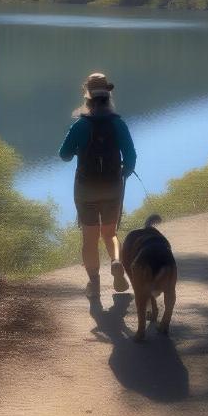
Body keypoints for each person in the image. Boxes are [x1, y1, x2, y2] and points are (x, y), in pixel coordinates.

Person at [59, 72, 137, 298]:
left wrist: (77, 150)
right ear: (108, 96)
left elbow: (63, 155)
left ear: (87, 96)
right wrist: (125, 171)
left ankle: (94, 283)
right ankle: (115, 261)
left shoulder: (80, 126)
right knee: (110, 233)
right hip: (112, 187)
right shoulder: (118, 124)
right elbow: (130, 156)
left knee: (89, 239)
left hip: (85, 190)